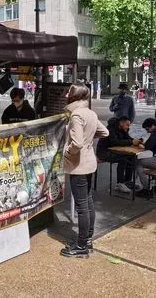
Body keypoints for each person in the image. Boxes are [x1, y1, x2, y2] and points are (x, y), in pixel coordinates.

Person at [60, 83, 109, 258]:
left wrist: (68, 150)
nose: (66, 94)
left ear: (73, 95)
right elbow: (105, 132)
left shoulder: (76, 114)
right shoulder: (90, 112)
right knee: (88, 202)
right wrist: (89, 139)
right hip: (89, 163)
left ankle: (81, 245)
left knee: (82, 206)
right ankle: (87, 239)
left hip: (78, 165)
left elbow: (77, 143)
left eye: (68, 92)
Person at [96, 116, 143, 193]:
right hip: (104, 152)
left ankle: (127, 181)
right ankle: (119, 184)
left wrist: (136, 141)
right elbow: (114, 142)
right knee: (123, 159)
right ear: (121, 123)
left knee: (132, 157)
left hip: (115, 151)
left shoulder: (123, 129)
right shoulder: (110, 129)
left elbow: (127, 138)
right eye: (127, 125)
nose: (128, 127)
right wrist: (131, 142)